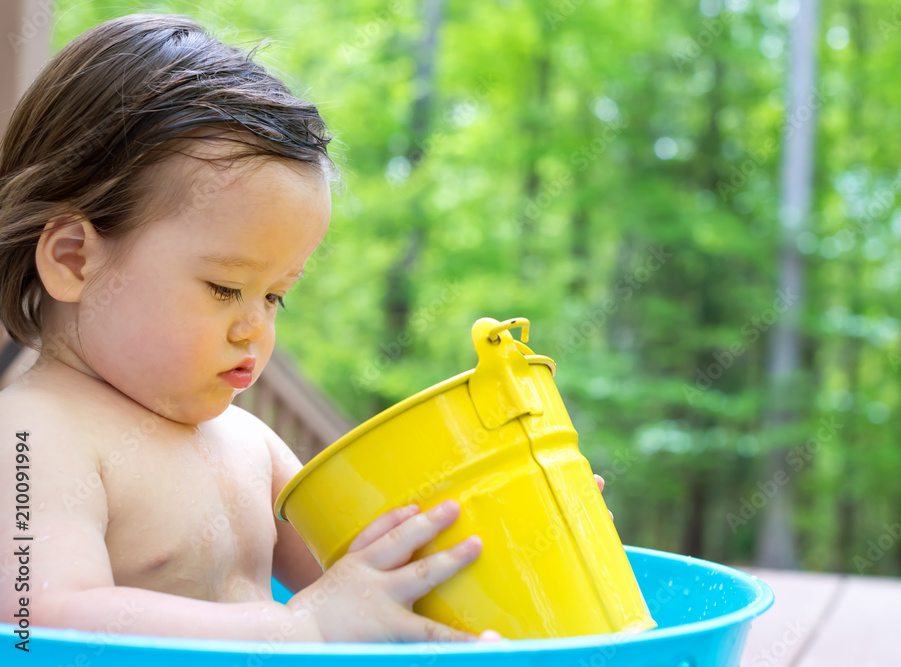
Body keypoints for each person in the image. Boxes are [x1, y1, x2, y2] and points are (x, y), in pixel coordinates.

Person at [0, 13, 610, 644]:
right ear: (74, 259)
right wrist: (301, 626)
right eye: (226, 288)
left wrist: (527, 526)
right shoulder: (32, 434)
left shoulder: (250, 444)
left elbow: (388, 570)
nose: (254, 329)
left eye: (275, 297)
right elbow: (31, 616)